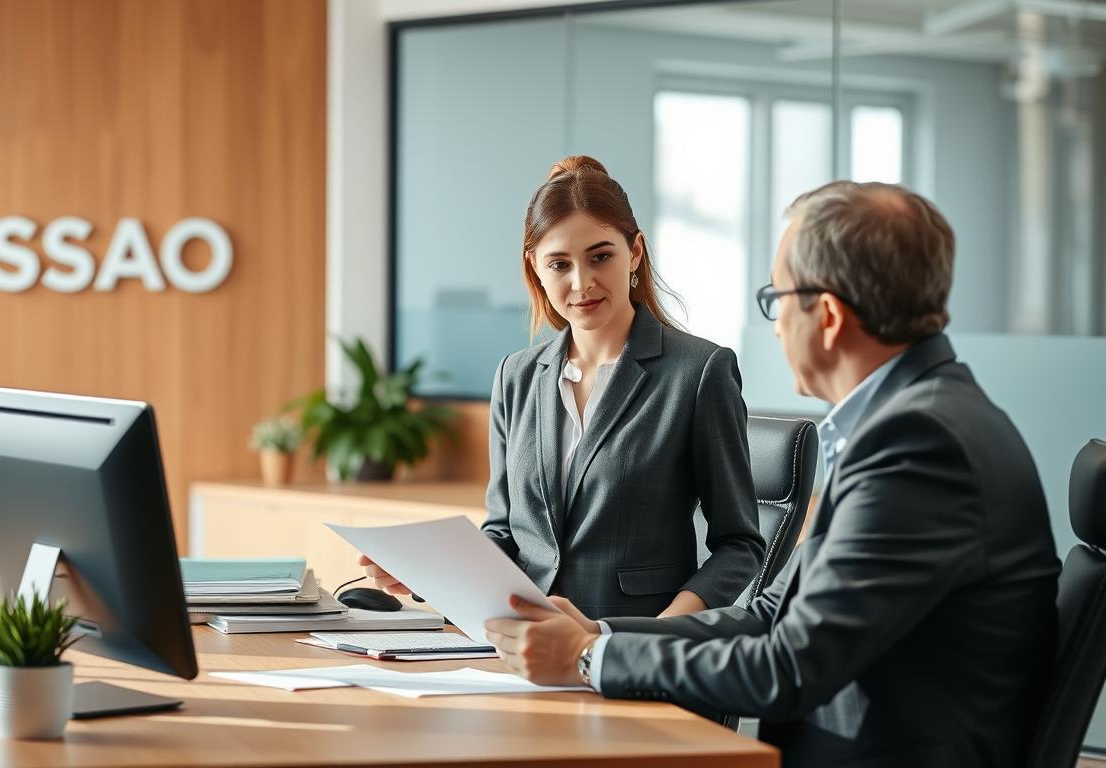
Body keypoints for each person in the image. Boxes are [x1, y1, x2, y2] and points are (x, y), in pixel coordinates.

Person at [484, 180, 1061, 767]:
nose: (777, 325)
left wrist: (586, 660)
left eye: (776, 298)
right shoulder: (908, 422)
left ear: (828, 316)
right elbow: (768, 615)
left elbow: (789, 666)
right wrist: (599, 638)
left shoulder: (917, 445)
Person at [362, 155, 765, 620]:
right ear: (534, 267)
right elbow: (504, 536)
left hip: (630, 649)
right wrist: (427, 574)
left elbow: (740, 546)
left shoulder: (698, 372)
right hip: (520, 643)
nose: (582, 283)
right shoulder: (516, 376)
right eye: (559, 264)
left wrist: (654, 638)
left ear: (634, 252)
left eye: (601, 256)